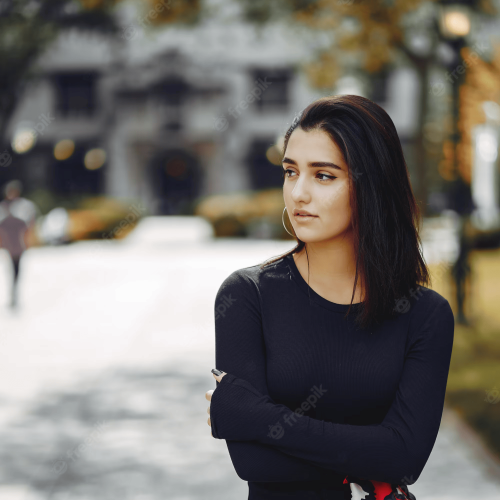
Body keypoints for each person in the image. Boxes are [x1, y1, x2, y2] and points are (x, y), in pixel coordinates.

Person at [205, 95, 454, 500]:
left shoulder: (424, 315)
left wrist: (254, 416)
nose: (298, 193)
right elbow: (253, 464)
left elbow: (405, 459)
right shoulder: (247, 295)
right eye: (290, 172)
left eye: (324, 176)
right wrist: (371, 463)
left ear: (372, 184)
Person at [0, 180, 40, 308]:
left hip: (19, 242)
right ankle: (13, 292)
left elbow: (30, 224)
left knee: (17, 267)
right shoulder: (3, 207)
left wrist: (29, 239)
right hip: (9, 242)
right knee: (11, 267)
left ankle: (15, 291)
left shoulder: (23, 205)